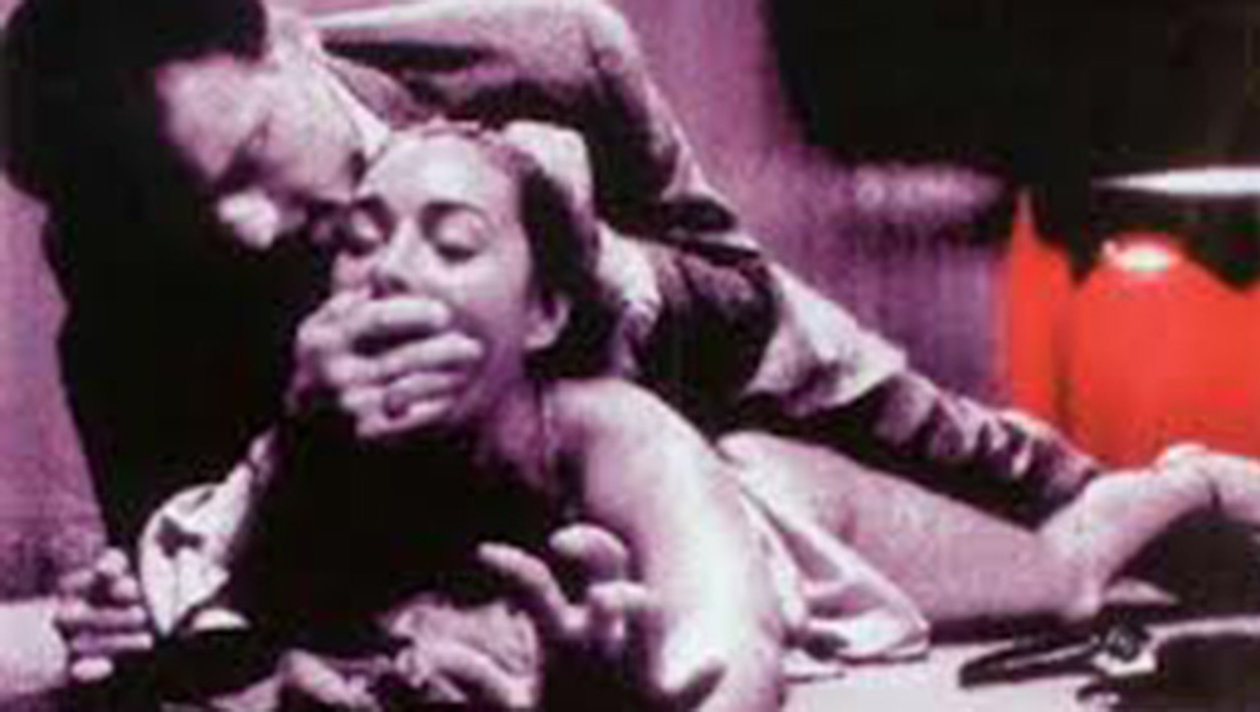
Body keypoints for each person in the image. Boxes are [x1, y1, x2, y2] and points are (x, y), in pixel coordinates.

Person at [133, 124, 782, 711]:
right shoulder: (310, 439)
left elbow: (730, 647)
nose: (388, 270)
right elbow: (201, 610)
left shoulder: (614, 434)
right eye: (360, 242)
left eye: (453, 246)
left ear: (545, 314)